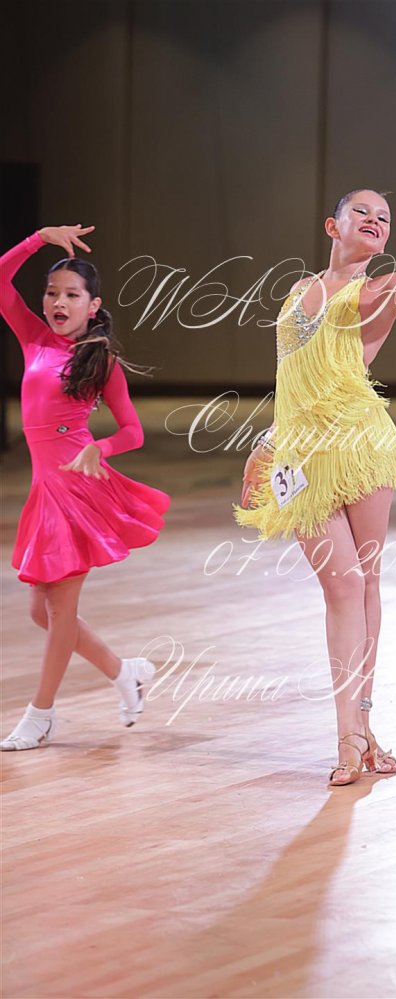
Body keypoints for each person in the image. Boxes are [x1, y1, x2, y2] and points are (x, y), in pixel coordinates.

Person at [233, 190, 396, 785]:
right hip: (298, 455)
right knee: (341, 584)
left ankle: (356, 730)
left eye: (383, 218)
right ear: (332, 225)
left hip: (359, 447)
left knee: (364, 582)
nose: (374, 221)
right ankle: (354, 733)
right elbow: (292, 380)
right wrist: (266, 440)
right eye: (362, 212)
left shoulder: (378, 291)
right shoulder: (296, 292)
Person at [0, 224, 170, 751]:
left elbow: (133, 431)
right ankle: (125, 672)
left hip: (77, 490)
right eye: (52, 293)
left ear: (92, 306)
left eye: (72, 295)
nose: (59, 302)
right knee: (40, 611)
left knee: (58, 613)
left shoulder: (99, 360)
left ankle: (41, 715)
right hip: (45, 489)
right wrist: (37, 239)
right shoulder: (34, 339)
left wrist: (102, 447)